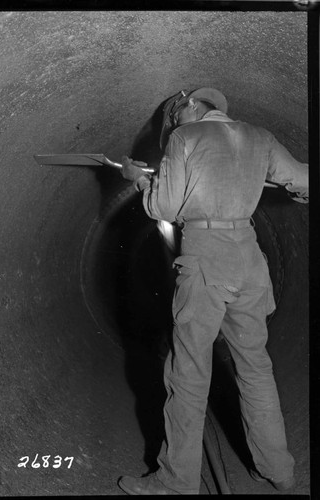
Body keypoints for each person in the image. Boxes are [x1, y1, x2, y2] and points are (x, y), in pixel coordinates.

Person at [117, 88, 308, 495]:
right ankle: (279, 470)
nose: (174, 125)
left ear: (190, 106)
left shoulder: (184, 139)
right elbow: (305, 180)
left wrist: (137, 182)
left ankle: (176, 480)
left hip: (207, 259)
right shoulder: (260, 135)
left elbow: (164, 208)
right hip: (250, 260)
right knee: (255, 367)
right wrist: (296, 189)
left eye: (175, 116)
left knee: (188, 370)